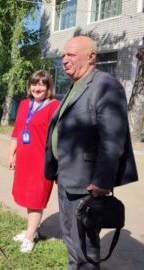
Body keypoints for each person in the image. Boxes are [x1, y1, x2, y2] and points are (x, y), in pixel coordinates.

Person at [44, 36, 138, 269]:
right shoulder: (75, 87)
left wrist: (102, 181)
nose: (64, 60)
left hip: (87, 184)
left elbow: (113, 137)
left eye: (71, 54)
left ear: (91, 56)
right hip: (67, 177)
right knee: (71, 239)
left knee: (85, 247)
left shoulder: (105, 85)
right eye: (63, 55)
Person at [8, 70, 60, 253]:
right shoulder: (23, 104)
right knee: (28, 196)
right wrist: (11, 154)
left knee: (37, 198)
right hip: (24, 160)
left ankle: (30, 237)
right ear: (30, 86)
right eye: (34, 84)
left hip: (42, 162)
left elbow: (59, 137)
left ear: (48, 87)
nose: (37, 88)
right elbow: (17, 131)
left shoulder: (54, 106)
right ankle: (32, 230)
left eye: (42, 84)